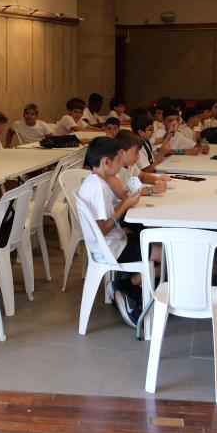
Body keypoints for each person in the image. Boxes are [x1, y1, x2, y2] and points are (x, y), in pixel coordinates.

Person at [76, 137, 162, 328]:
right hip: (112, 248)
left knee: (153, 246)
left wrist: (124, 205)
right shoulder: (99, 187)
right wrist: (125, 205)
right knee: (166, 254)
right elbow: (102, 229)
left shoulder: (92, 181)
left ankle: (126, 286)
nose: (120, 164)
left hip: (110, 243)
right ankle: (127, 289)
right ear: (106, 162)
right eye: (117, 160)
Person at [108, 130, 170, 203]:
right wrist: (151, 190)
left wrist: (158, 180)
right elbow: (125, 195)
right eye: (136, 152)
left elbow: (142, 176)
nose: (138, 156)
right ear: (122, 152)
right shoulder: (114, 171)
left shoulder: (130, 164)